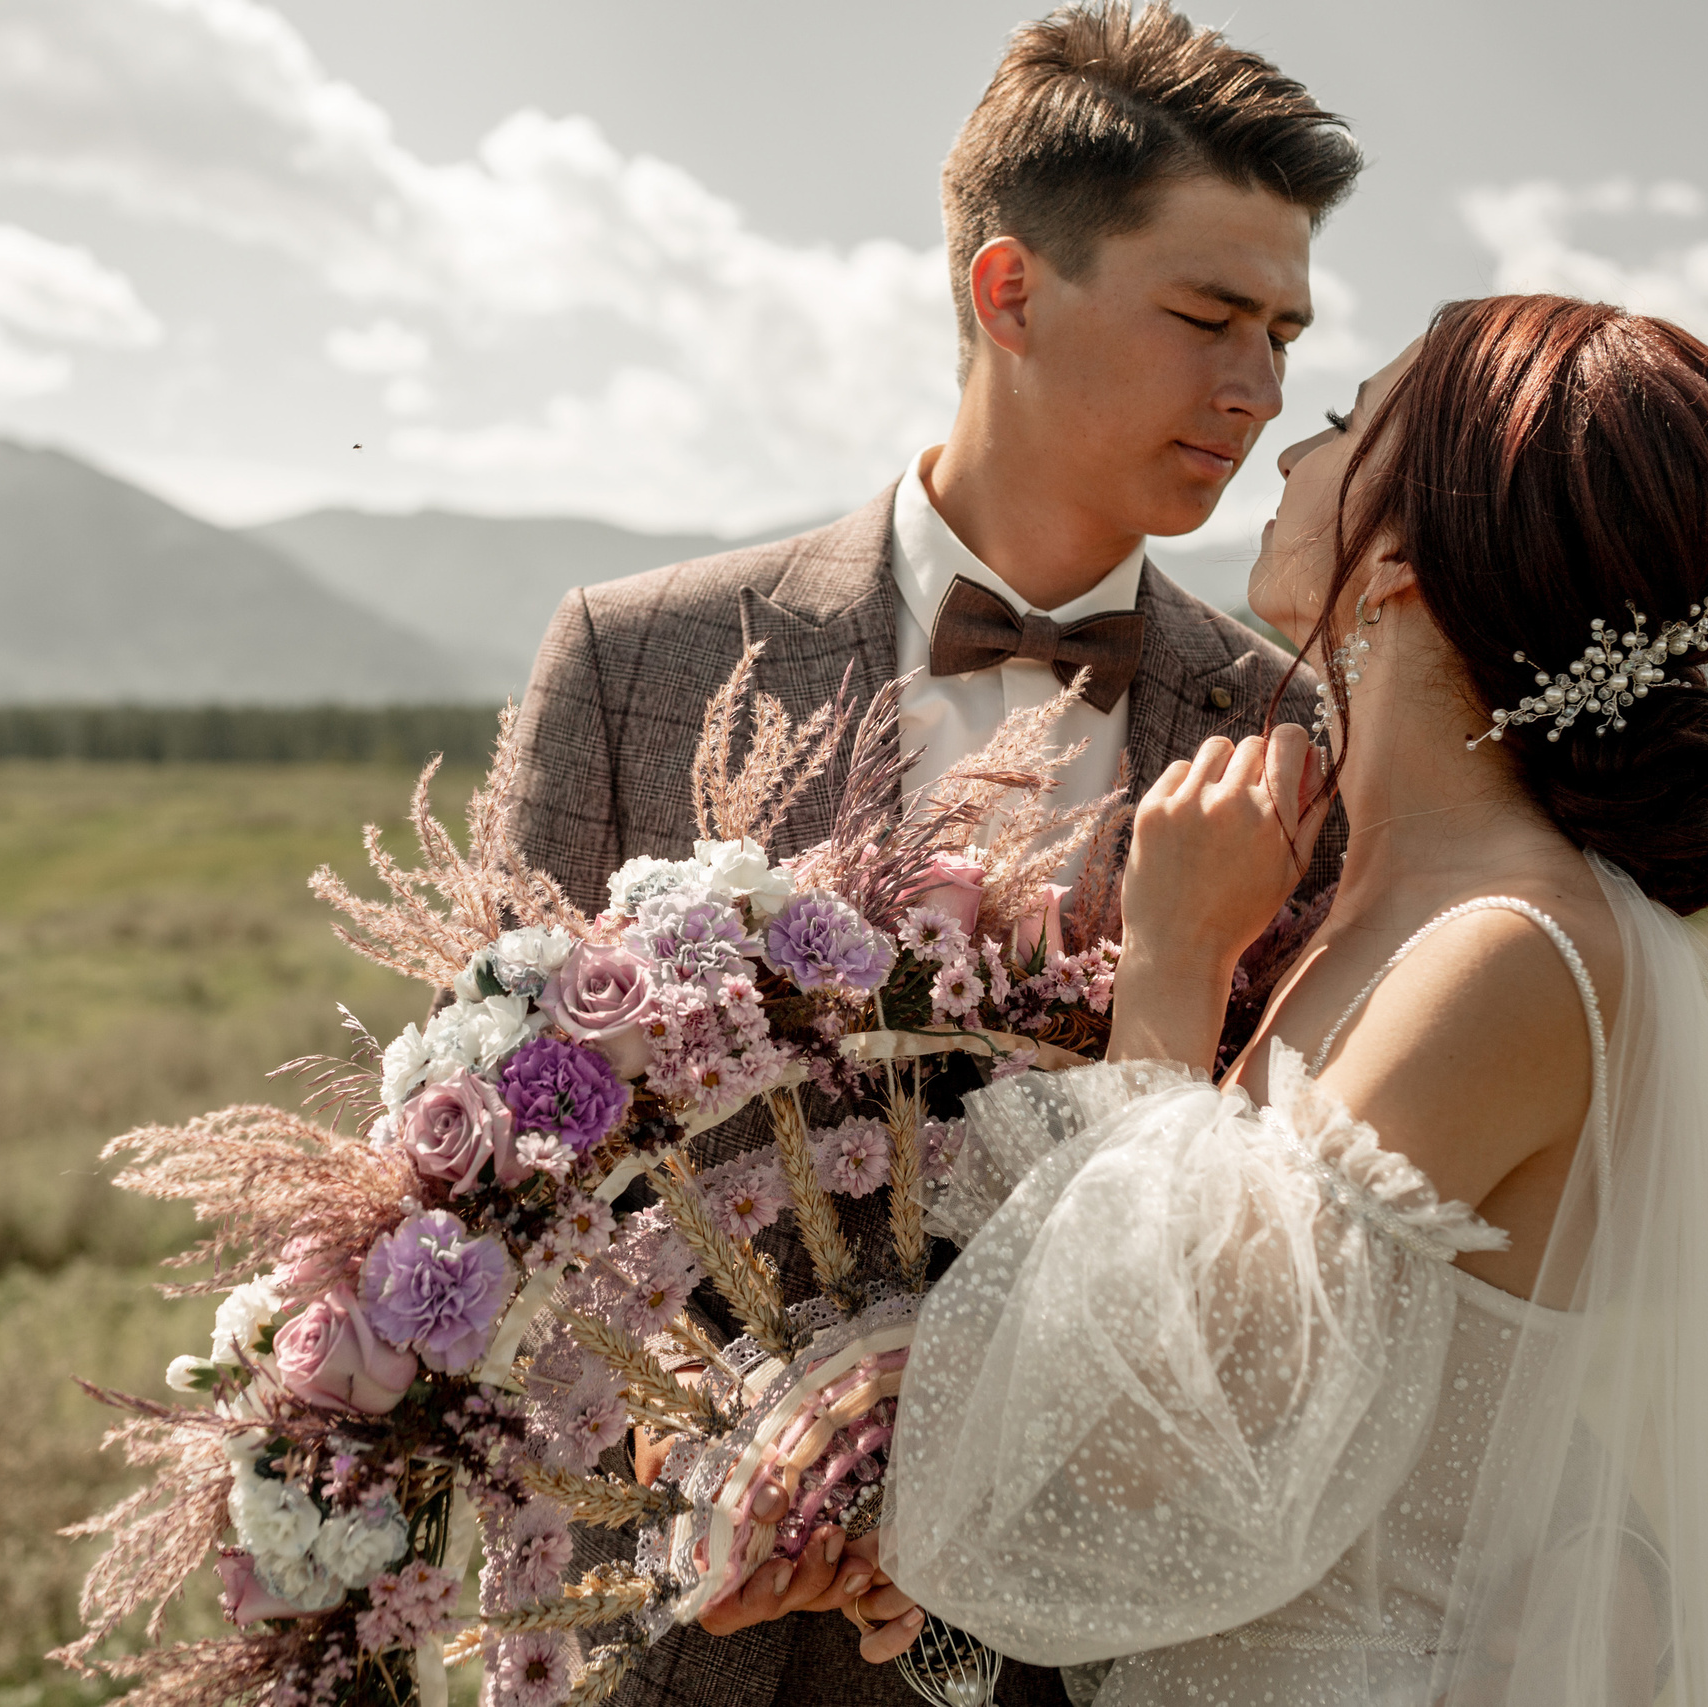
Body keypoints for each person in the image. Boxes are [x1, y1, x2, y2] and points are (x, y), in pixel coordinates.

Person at [505, 9, 1358, 1704]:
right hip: (675, 1650)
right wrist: (721, 1477)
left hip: (1087, 1652)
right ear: (1009, 290)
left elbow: (1286, 1256)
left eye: (1282, 332)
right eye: (1208, 317)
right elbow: (513, 1192)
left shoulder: (1294, 738)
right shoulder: (633, 661)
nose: (1257, 392)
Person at [859, 293, 1708, 1706]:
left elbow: (1141, 1446)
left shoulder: (1505, 954)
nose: (1282, 453)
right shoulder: (1374, 909)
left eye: (1338, 426)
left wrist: (1176, 964)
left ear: (1398, 572)